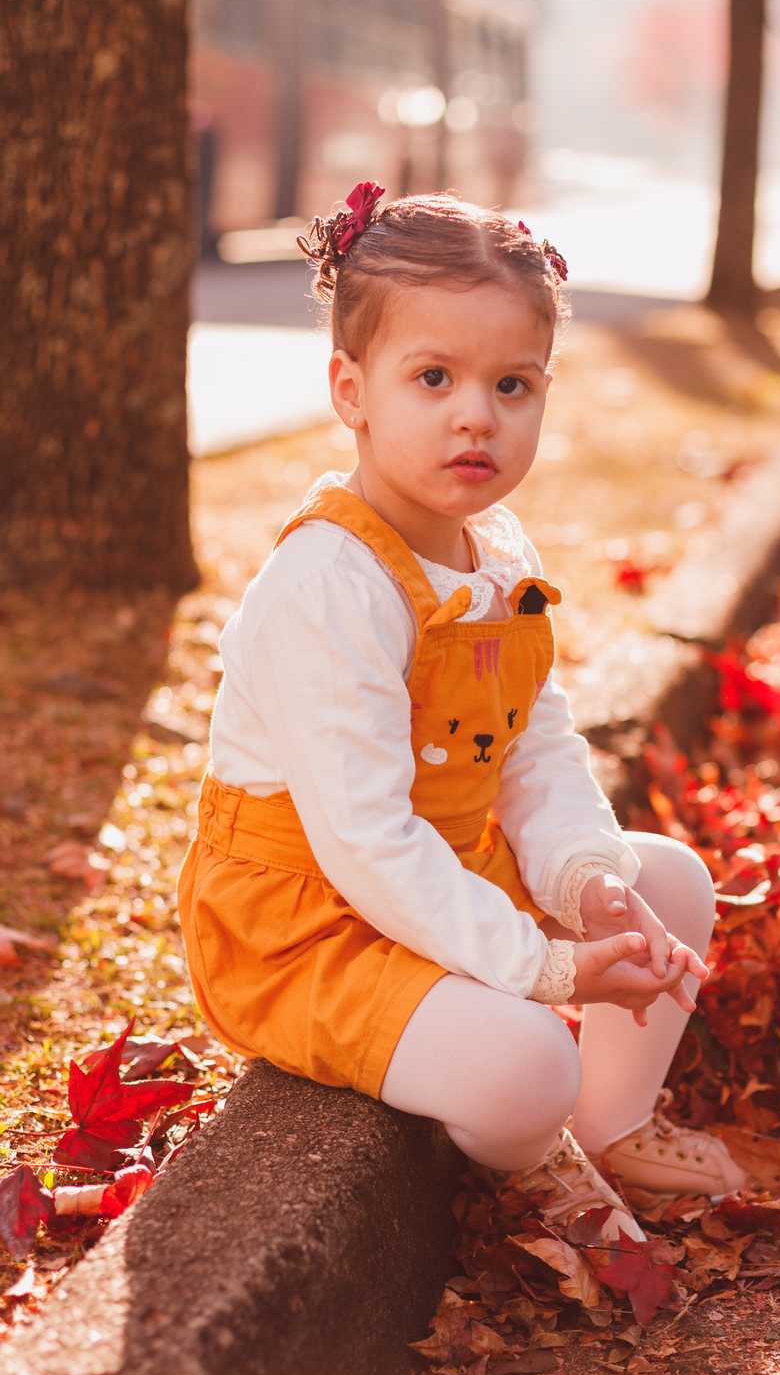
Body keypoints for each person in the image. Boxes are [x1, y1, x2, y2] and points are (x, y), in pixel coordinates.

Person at [178, 184, 744, 1241]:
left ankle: (612, 1119)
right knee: (529, 1058)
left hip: (443, 868)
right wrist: (547, 968)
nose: (475, 413)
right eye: (432, 377)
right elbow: (364, 841)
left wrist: (587, 885)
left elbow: (534, 743)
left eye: (512, 383)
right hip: (312, 920)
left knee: (663, 878)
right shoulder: (329, 586)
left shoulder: (498, 552)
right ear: (351, 389)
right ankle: (537, 1149)